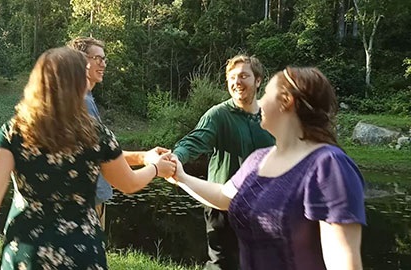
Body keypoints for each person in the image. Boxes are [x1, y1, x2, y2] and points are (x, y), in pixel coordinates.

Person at [0, 47, 176, 270]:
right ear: (79, 84)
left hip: (26, 251)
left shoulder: (14, 131)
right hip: (82, 251)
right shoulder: (97, 134)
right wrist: (155, 168)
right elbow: (129, 183)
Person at [167, 66, 366, 270]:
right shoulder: (258, 159)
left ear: (286, 101)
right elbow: (223, 197)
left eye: (266, 94)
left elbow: (343, 262)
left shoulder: (328, 165)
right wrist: (180, 176)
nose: (260, 102)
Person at [172, 55, 275, 269]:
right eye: (232, 77)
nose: (237, 82)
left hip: (264, 206)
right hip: (222, 204)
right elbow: (194, 141)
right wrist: (175, 159)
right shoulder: (218, 115)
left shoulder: (271, 116)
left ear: (258, 80)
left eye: (244, 76)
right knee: (222, 264)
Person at [67, 36, 169, 230]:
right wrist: (156, 168)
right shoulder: (82, 101)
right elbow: (127, 182)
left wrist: (144, 156)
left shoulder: (81, 97)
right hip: (86, 206)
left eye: (104, 59)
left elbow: (101, 155)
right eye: (97, 58)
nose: (103, 64)